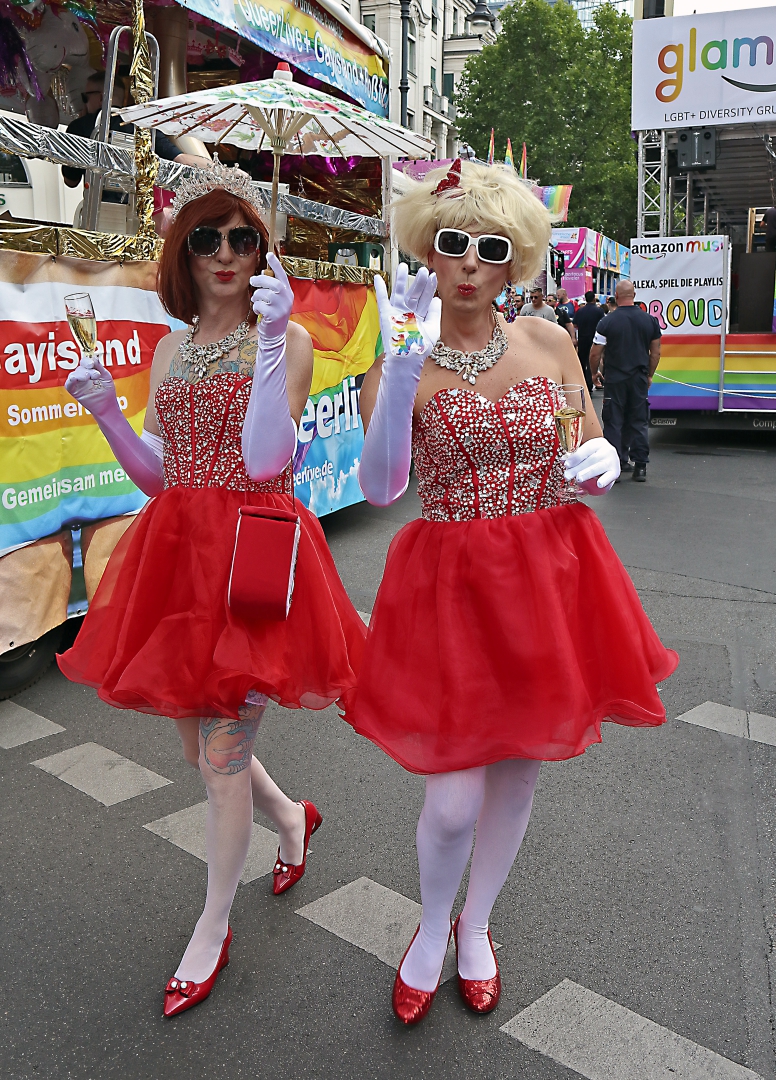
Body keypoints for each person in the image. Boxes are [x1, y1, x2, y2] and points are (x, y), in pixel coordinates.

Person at [347, 159, 678, 1025]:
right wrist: (399, 358)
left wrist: (600, 463)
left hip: (547, 573)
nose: (468, 262)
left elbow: (585, 438)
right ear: (427, 245)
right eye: (451, 242)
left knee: (519, 776)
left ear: (515, 261)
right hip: (449, 583)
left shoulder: (548, 341)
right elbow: (381, 486)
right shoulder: (400, 360)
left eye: (490, 248)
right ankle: (429, 928)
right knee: (452, 800)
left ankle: (478, 925)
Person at [57, 165, 366, 1016]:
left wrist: (271, 346)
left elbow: (267, 462)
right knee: (201, 753)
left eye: (242, 237)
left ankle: (212, 926)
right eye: (207, 237)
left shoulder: (289, 341)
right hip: (180, 558)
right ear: (183, 254)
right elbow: (161, 476)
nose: (226, 253)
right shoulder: (171, 348)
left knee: (221, 761)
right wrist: (109, 416)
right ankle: (294, 821)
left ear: (261, 249)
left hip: (254, 564)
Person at [62, 72, 209, 201]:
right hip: (139, 212)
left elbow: (71, 181)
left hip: (97, 213)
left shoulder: (81, 126)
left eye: (85, 97)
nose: (84, 103)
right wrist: (219, 172)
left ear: (101, 97)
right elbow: (179, 158)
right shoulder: (142, 125)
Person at [589, 280, 661, 483]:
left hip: (615, 378)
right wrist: (649, 375)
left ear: (616, 296)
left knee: (614, 421)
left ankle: (616, 464)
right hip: (638, 377)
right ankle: (640, 466)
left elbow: (595, 353)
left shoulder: (607, 322)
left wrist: (594, 374)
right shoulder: (649, 321)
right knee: (638, 421)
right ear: (634, 295)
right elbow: (655, 353)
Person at [572, 290, 605, 393]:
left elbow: (575, 325)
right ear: (594, 299)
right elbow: (603, 324)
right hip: (594, 339)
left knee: (582, 361)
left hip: (582, 338)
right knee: (592, 361)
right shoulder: (599, 311)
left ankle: (582, 383)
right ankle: (590, 381)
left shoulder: (580, 311)